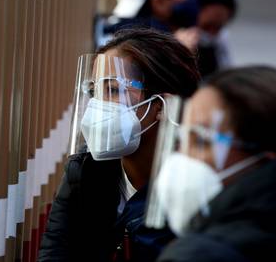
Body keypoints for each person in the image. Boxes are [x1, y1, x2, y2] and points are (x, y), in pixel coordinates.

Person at [38, 28, 201, 262]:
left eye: (113, 90)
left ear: (163, 106)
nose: (98, 104)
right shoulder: (86, 169)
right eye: (95, 91)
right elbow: (54, 253)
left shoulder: (194, 185)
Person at [145, 66, 276, 262]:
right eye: (181, 140)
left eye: (200, 140)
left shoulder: (201, 255)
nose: (181, 156)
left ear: (264, 160)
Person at [171, 0, 238, 77]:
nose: (213, 34)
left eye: (219, 27)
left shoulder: (219, 44)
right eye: (207, 26)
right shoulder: (172, 46)